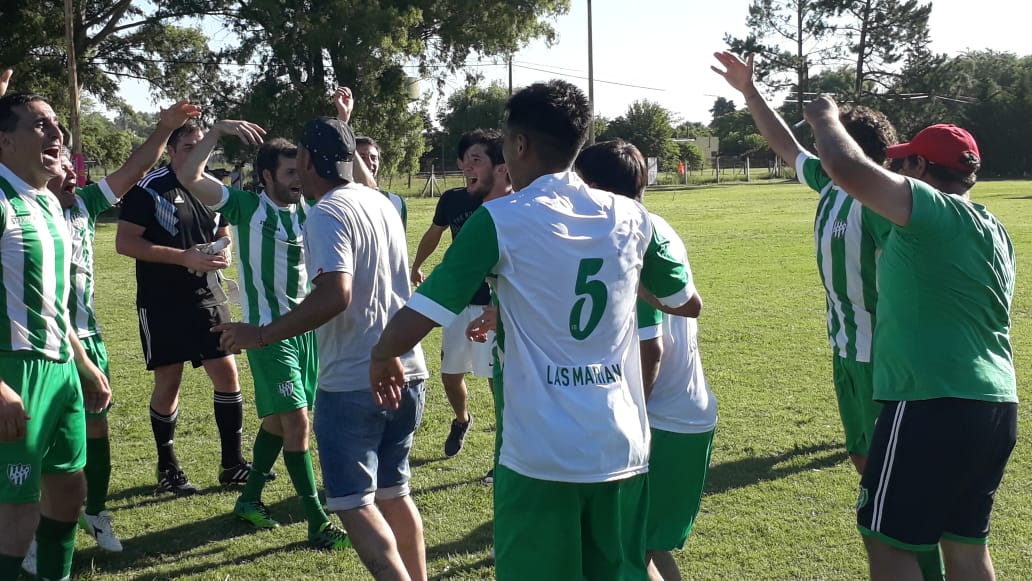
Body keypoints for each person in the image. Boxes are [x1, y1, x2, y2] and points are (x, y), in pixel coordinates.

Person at [370, 80, 697, 580]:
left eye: (504, 141)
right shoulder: (633, 216)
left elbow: (424, 310)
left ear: (519, 144)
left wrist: (382, 353)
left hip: (540, 456)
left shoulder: (498, 219)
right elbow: (686, 303)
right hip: (621, 446)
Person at [713, 52, 948, 580]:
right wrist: (749, 91)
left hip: (886, 361)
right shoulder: (829, 184)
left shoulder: (886, 204)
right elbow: (786, 147)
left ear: (849, 150)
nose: (817, 152)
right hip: (846, 354)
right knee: (868, 471)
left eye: (826, 143)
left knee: (900, 489)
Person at [803, 98, 1018, 581]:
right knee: (965, 547)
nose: (895, 171)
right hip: (995, 405)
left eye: (903, 164)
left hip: (931, 400)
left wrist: (824, 119)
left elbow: (845, 167)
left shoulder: (931, 213)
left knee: (887, 542)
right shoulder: (995, 229)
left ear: (920, 168)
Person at [214, 116, 429, 580]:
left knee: (354, 504)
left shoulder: (327, 212)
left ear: (309, 160)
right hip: (408, 369)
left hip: (356, 377)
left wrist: (260, 334)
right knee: (395, 494)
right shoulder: (381, 203)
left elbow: (336, 294)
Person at [177, 117, 353, 550]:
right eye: (289, 172)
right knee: (298, 423)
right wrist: (217, 132)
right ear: (267, 176)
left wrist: (343, 128)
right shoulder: (246, 207)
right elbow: (189, 175)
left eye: (300, 170)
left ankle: (249, 498)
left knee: (278, 420)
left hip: (305, 331)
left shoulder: (309, 210)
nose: (299, 179)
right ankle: (317, 521)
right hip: (265, 335)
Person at [575, 139, 711, 581]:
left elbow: (651, 347)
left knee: (627, 551)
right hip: (679, 414)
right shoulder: (655, 225)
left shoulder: (630, 236)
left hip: (663, 420)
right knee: (643, 548)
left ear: (597, 187)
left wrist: (632, 421)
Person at [0, 91, 111, 581]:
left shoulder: (48, 201)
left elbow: (53, 301)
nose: (57, 133)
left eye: (56, 123)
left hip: (61, 368)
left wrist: (83, 364)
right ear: (5, 141)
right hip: (15, 371)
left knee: (68, 493)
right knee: (16, 513)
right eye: (40, 125)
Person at [116, 120, 255, 495]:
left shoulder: (211, 188)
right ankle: (168, 468)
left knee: (227, 374)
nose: (199, 153)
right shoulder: (149, 188)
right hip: (162, 301)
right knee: (169, 381)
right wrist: (183, 257)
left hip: (207, 296)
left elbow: (223, 231)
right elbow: (125, 242)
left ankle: (233, 464)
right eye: (190, 146)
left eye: (203, 146)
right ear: (171, 150)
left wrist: (224, 249)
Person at [408, 130, 503, 459]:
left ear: (497, 164)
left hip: (493, 304)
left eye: (477, 159)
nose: (469, 166)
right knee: (450, 376)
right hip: (459, 301)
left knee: (496, 380)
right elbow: (434, 233)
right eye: (465, 159)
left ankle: (502, 450)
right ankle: (462, 419)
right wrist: (416, 265)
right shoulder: (452, 200)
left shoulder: (505, 203)